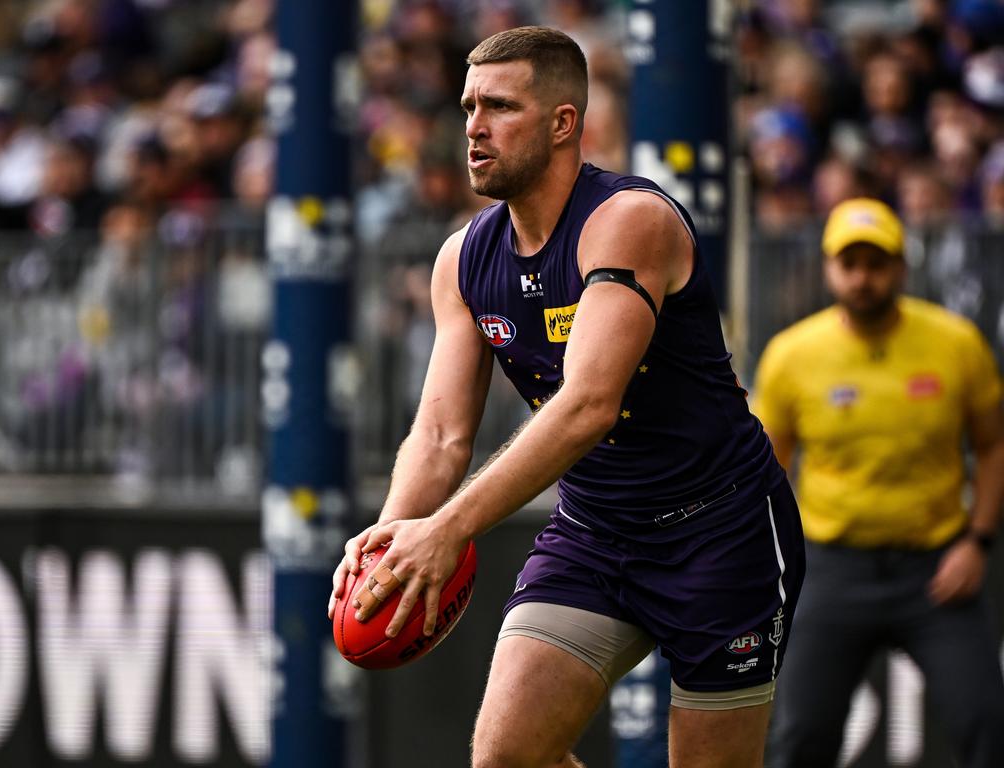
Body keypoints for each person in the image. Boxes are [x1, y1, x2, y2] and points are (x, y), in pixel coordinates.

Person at [328, 26, 805, 768]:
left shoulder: (628, 221)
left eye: (499, 107)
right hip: (596, 532)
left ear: (563, 124)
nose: (474, 129)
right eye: (466, 108)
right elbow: (442, 434)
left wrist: (450, 528)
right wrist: (395, 534)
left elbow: (588, 406)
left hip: (721, 534)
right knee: (505, 758)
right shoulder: (462, 257)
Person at [754, 198, 1004, 768]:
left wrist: (979, 541)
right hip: (832, 568)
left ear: (900, 267)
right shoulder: (793, 355)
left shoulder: (956, 343)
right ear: (829, 268)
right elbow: (767, 469)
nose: (863, 278)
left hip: (938, 569)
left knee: (985, 723)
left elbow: (993, 445)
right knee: (800, 736)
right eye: (851, 264)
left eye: (877, 263)